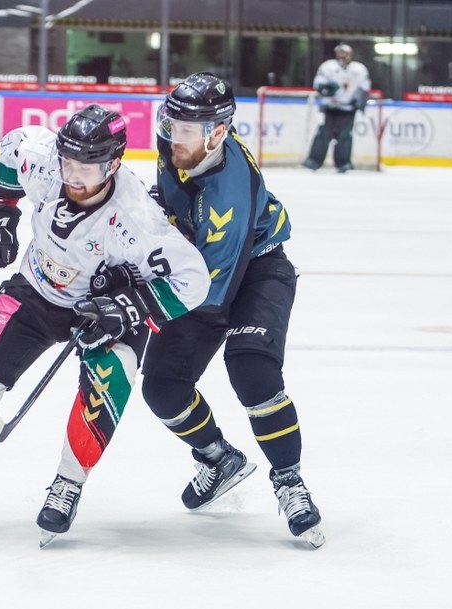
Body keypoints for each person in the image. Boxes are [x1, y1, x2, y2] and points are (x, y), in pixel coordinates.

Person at [0, 105, 210, 546]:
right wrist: (1, 207)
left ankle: (68, 484)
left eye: (87, 166)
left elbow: (194, 281)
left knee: (108, 383)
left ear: (114, 162)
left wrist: (132, 306)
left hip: (102, 307)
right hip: (34, 290)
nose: (73, 174)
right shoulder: (44, 158)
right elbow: (11, 145)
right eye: (69, 161)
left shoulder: (138, 217)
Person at [145, 72, 325, 548]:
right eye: (170, 121)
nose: (170, 134)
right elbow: (164, 199)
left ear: (217, 133)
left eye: (184, 128)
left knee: (251, 370)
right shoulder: (180, 140)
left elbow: (210, 291)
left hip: (254, 271)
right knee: (162, 389)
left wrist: (135, 306)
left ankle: (289, 480)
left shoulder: (229, 196)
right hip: (199, 268)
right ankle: (217, 457)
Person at [303, 43, 371, 173]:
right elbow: (318, 84)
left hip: (348, 108)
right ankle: (313, 161)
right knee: (323, 134)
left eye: (345, 53)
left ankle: (343, 163)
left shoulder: (359, 69)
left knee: (345, 136)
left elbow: (364, 87)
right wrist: (327, 89)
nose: (342, 56)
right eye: (340, 53)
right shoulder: (328, 66)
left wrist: (358, 102)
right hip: (329, 107)